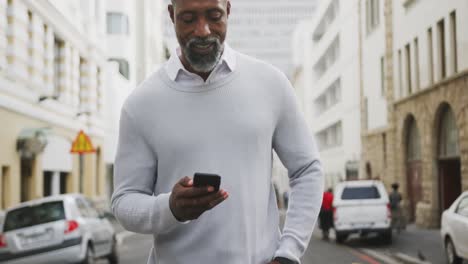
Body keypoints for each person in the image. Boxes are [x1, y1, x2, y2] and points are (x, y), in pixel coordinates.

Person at [111, 0, 324, 263]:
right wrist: (170, 207)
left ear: (229, 11)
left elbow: (307, 170)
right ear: (171, 15)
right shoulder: (141, 104)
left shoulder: (270, 83)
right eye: (188, 19)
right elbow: (124, 202)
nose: (203, 31)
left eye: (214, 16)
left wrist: (289, 252)